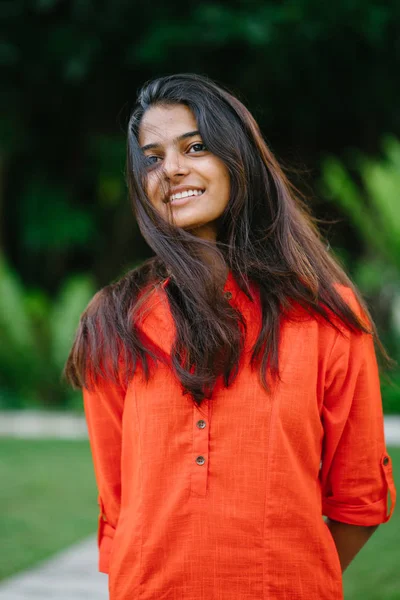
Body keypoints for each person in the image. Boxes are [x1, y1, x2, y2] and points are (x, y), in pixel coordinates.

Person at [64, 73, 397, 600]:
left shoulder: (325, 316)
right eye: (151, 158)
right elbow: (119, 507)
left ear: (237, 157)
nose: (171, 169)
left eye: (195, 147)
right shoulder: (114, 320)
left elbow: (360, 498)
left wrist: (284, 574)